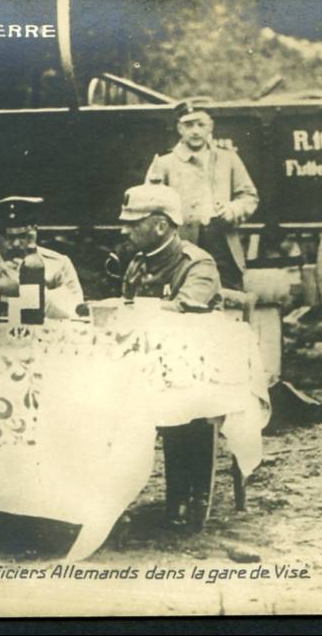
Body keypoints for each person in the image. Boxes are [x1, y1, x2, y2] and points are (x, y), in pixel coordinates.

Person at [117, 183, 221, 529]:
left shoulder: (197, 264)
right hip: (148, 364)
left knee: (190, 406)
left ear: (161, 225)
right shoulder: (137, 263)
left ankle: (193, 497)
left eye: (134, 223)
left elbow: (185, 309)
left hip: (198, 368)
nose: (124, 230)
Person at [145, 100, 258, 290]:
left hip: (222, 240)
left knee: (230, 296)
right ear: (180, 128)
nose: (195, 131)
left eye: (201, 125)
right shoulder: (164, 163)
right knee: (187, 295)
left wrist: (232, 210)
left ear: (210, 127)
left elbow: (249, 196)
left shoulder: (228, 158)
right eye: (189, 125)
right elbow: (149, 205)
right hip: (182, 246)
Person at [0, 196, 84, 319]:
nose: (16, 244)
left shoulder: (58, 264)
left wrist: (21, 289)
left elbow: (76, 311)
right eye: (9, 237)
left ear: (33, 232)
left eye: (23, 236)